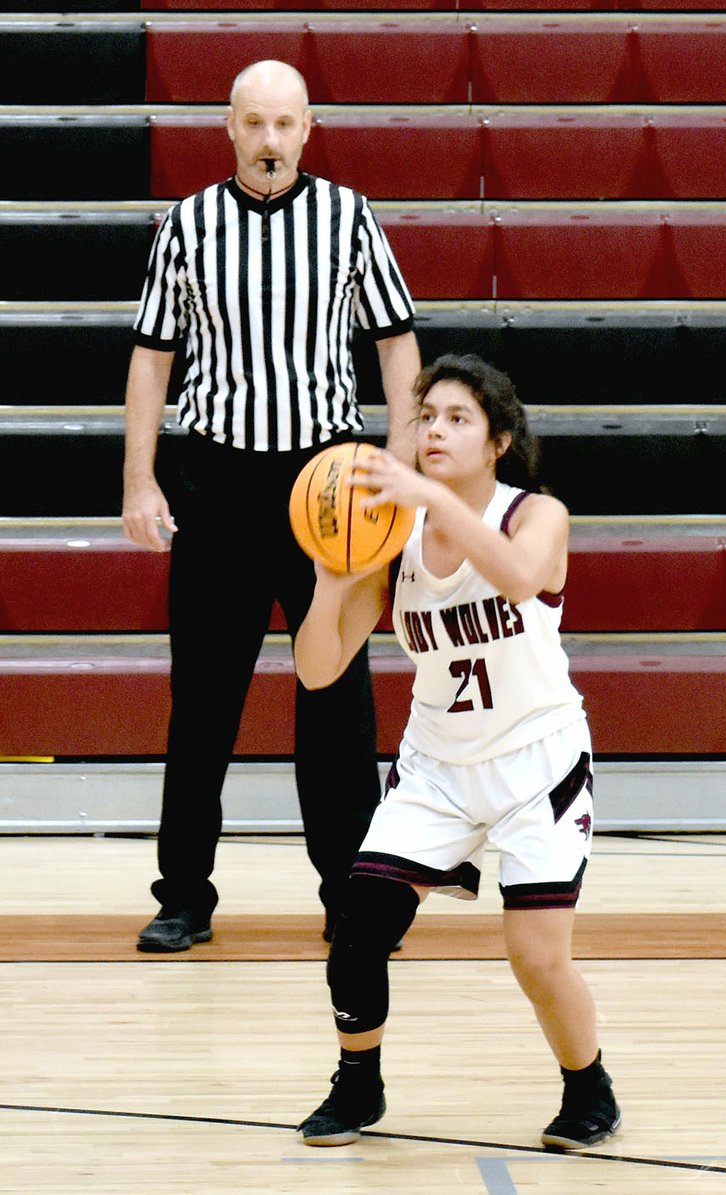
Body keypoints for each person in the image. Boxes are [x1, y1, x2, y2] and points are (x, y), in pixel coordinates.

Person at [122, 59, 421, 952]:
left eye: (285, 124)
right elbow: (151, 358)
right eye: (254, 124)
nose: (270, 141)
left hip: (326, 483)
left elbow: (398, 342)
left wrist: (400, 471)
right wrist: (141, 479)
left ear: (308, 128)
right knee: (203, 698)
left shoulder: (349, 217)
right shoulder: (188, 224)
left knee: (339, 702)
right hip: (216, 480)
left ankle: (352, 891)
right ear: (228, 128)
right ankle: (184, 892)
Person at [292, 354, 621, 1151]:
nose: (436, 429)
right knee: (358, 922)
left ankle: (590, 1089)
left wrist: (430, 495)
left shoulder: (536, 515)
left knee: (536, 954)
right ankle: (358, 1083)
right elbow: (317, 667)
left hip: (535, 764)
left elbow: (513, 579)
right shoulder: (392, 534)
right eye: (427, 416)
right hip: (438, 766)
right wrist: (332, 578)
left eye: (457, 419)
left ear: (498, 440)